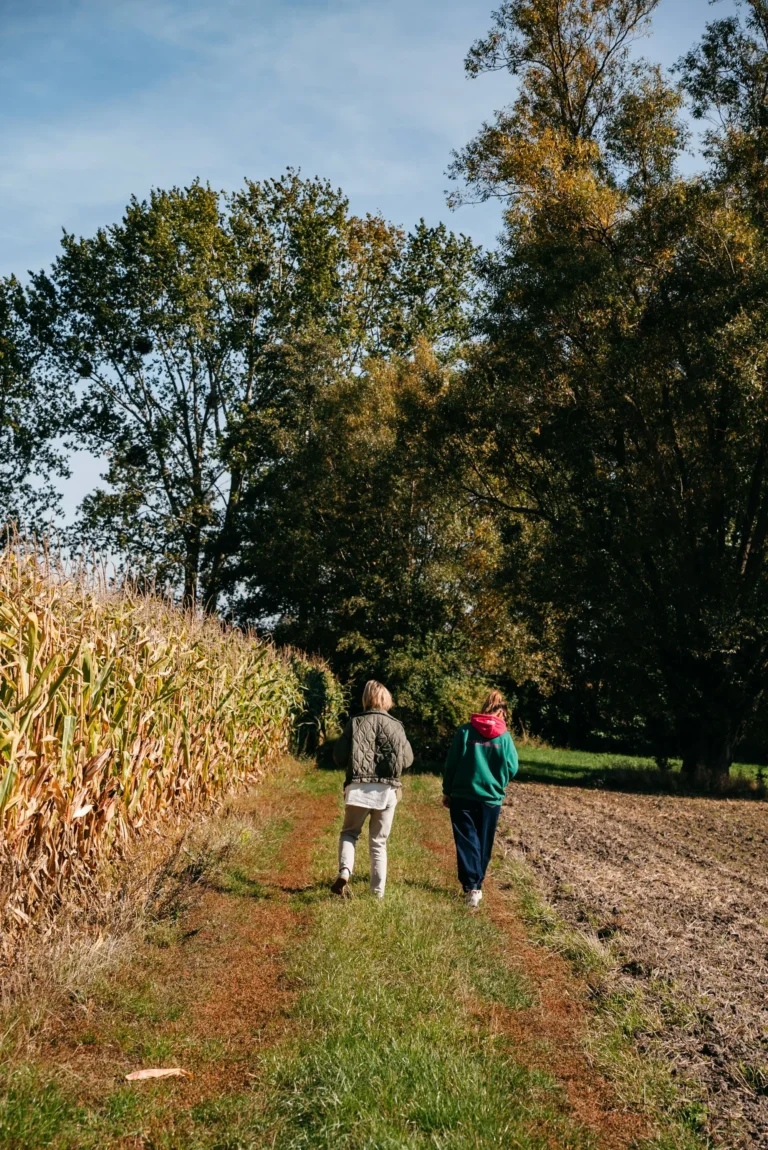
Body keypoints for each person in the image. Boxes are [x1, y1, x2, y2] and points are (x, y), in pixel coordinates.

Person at [331, 680, 413, 899]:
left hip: (358, 788)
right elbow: (408, 760)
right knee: (379, 842)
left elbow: (338, 756)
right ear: (386, 700)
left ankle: (345, 871)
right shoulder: (397, 725)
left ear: (366, 699)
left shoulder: (354, 722)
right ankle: (377, 894)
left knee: (349, 833)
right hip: (387, 791)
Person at [442, 689, 518, 908]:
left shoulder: (465, 731)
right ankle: (477, 884)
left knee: (466, 840)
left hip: (463, 795)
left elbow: (452, 763)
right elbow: (513, 767)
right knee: (484, 842)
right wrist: (499, 781)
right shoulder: (504, 738)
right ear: (502, 713)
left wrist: (447, 789)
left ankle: (471, 886)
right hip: (491, 798)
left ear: (484, 708)